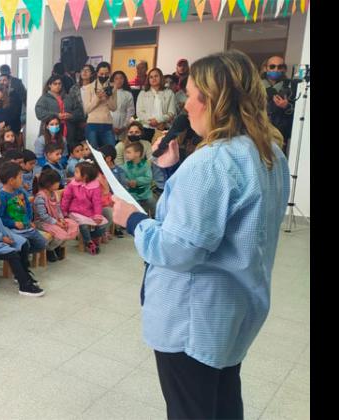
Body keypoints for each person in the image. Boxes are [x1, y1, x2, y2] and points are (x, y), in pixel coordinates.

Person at [110, 50, 290, 420]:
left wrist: (132, 220)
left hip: (194, 318)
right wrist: (175, 170)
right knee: (222, 400)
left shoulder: (211, 163)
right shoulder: (269, 152)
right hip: (234, 310)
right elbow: (220, 217)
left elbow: (178, 248)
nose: (186, 106)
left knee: (191, 409)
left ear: (213, 100)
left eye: (190, 95)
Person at [0, 162, 48, 257]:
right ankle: (19, 256)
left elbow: (28, 207)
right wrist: (13, 223)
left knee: (42, 244)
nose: (22, 180)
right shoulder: (2, 196)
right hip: (13, 231)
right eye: (20, 177)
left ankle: (21, 254)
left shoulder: (20, 191)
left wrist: (29, 220)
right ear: (11, 180)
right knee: (24, 244)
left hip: (27, 227)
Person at [32, 169, 79, 262]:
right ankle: (50, 249)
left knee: (71, 225)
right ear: (49, 184)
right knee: (59, 231)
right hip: (42, 222)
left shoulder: (54, 194)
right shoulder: (40, 197)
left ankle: (59, 246)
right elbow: (43, 216)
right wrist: (56, 223)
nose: (59, 184)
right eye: (57, 182)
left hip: (55, 220)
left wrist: (61, 219)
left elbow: (58, 209)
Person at [62, 160, 107, 255]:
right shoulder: (72, 185)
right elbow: (66, 198)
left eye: (77, 172)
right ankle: (89, 242)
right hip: (75, 211)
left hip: (89, 212)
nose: (74, 174)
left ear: (85, 176)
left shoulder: (95, 186)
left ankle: (91, 237)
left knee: (103, 224)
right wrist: (64, 211)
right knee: (83, 225)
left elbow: (97, 202)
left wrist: (97, 214)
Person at [261, 55, 296, 154]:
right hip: (258, 130)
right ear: (265, 68)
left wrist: (286, 107)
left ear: (284, 69)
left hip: (280, 134)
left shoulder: (292, 87)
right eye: (272, 66)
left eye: (280, 67)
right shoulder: (256, 86)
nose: (276, 69)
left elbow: (299, 112)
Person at [35, 75, 82, 146]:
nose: (57, 86)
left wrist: (71, 115)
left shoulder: (68, 97)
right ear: (49, 85)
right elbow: (39, 113)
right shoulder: (44, 98)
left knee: (67, 151)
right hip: (51, 131)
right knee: (51, 151)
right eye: (55, 84)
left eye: (59, 83)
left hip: (69, 131)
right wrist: (56, 115)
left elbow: (79, 112)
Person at [81, 62, 118, 148]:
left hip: (107, 123)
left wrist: (108, 98)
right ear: (97, 73)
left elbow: (114, 108)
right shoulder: (88, 87)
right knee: (93, 152)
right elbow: (86, 109)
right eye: (101, 74)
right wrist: (97, 98)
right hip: (92, 124)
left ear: (109, 74)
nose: (104, 76)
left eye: (106, 74)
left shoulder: (113, 87)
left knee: (110, 151)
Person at [136, 68, 177, 140]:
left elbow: (172, 113)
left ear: (161, 77)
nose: (153, 78)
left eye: (156, 76)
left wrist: (159, 120)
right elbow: (139, 112)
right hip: (146, 128)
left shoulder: (169, 93)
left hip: (163, 128)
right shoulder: (143, 93)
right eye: (151, 77)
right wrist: (150, 121)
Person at [120, 142, 156, 216]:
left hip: (145, 193)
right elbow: (122, 177)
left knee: (152, 203)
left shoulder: (145, 165)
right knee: (135, 210)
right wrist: (128, 182)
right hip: (132, 194)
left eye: (128, 152)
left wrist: (137, 181)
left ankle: (155, 217)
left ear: (137, 153)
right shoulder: (126, 166)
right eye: (126, 153)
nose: (126, 155)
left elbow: (149, 178)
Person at [109, 71, 135, 141]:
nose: (119, 81)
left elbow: (131, 112)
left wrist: (124, 127)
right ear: (112, 80)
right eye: (116, 78)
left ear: (124, 80)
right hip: (110, 123)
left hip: (123, 124)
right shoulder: (108, 92)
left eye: (121, 78)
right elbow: (104, 111)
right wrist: (111, 127)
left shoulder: (128, 94)